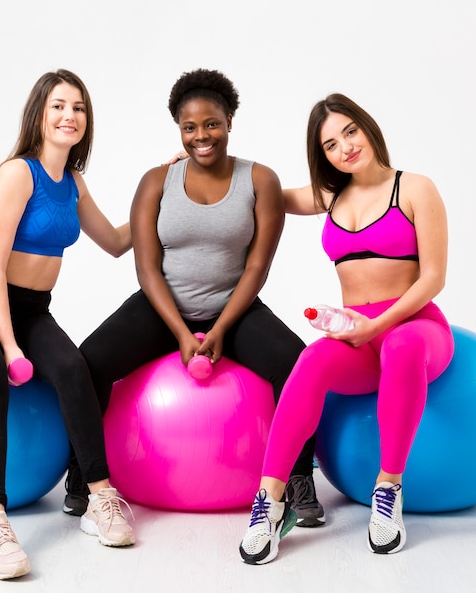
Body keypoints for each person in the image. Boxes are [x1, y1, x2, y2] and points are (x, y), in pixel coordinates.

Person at [63, 68, 323, 526]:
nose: (201, 136)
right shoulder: (156, 181)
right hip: (163, 307)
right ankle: (83, 473)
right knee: (89, 361)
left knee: (297, 364)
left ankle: (299, 479)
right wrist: (182, 332)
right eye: (189, 127)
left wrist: (220, 327)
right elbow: (146, 269)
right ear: (178, 130)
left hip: (234, 308)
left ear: (229, 122)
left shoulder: (259, 179)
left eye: (211, 124)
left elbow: (257, 268)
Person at [0, 69, 135, 580]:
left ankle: (99, 496)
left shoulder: (73, 182)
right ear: (40, 115)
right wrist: (9, 347)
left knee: (74, 368)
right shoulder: (16, 174)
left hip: (31, 308)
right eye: (59, 106)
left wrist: (161, 192)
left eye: (79, 108)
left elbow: (113, 241)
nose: (70, 116)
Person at [239, 93, 455, 565]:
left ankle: (388, 490)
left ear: (367, 127)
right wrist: (197, 159)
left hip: (417, 329)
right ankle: (269, 502)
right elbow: (261, 189)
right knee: (312, 358)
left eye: (350, 132)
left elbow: (434, 277)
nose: (345, 148)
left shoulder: (415, 187)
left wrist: (379, 323)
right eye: (331, 145)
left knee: (399, 345)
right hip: (360, 335)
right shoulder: (330, 195)